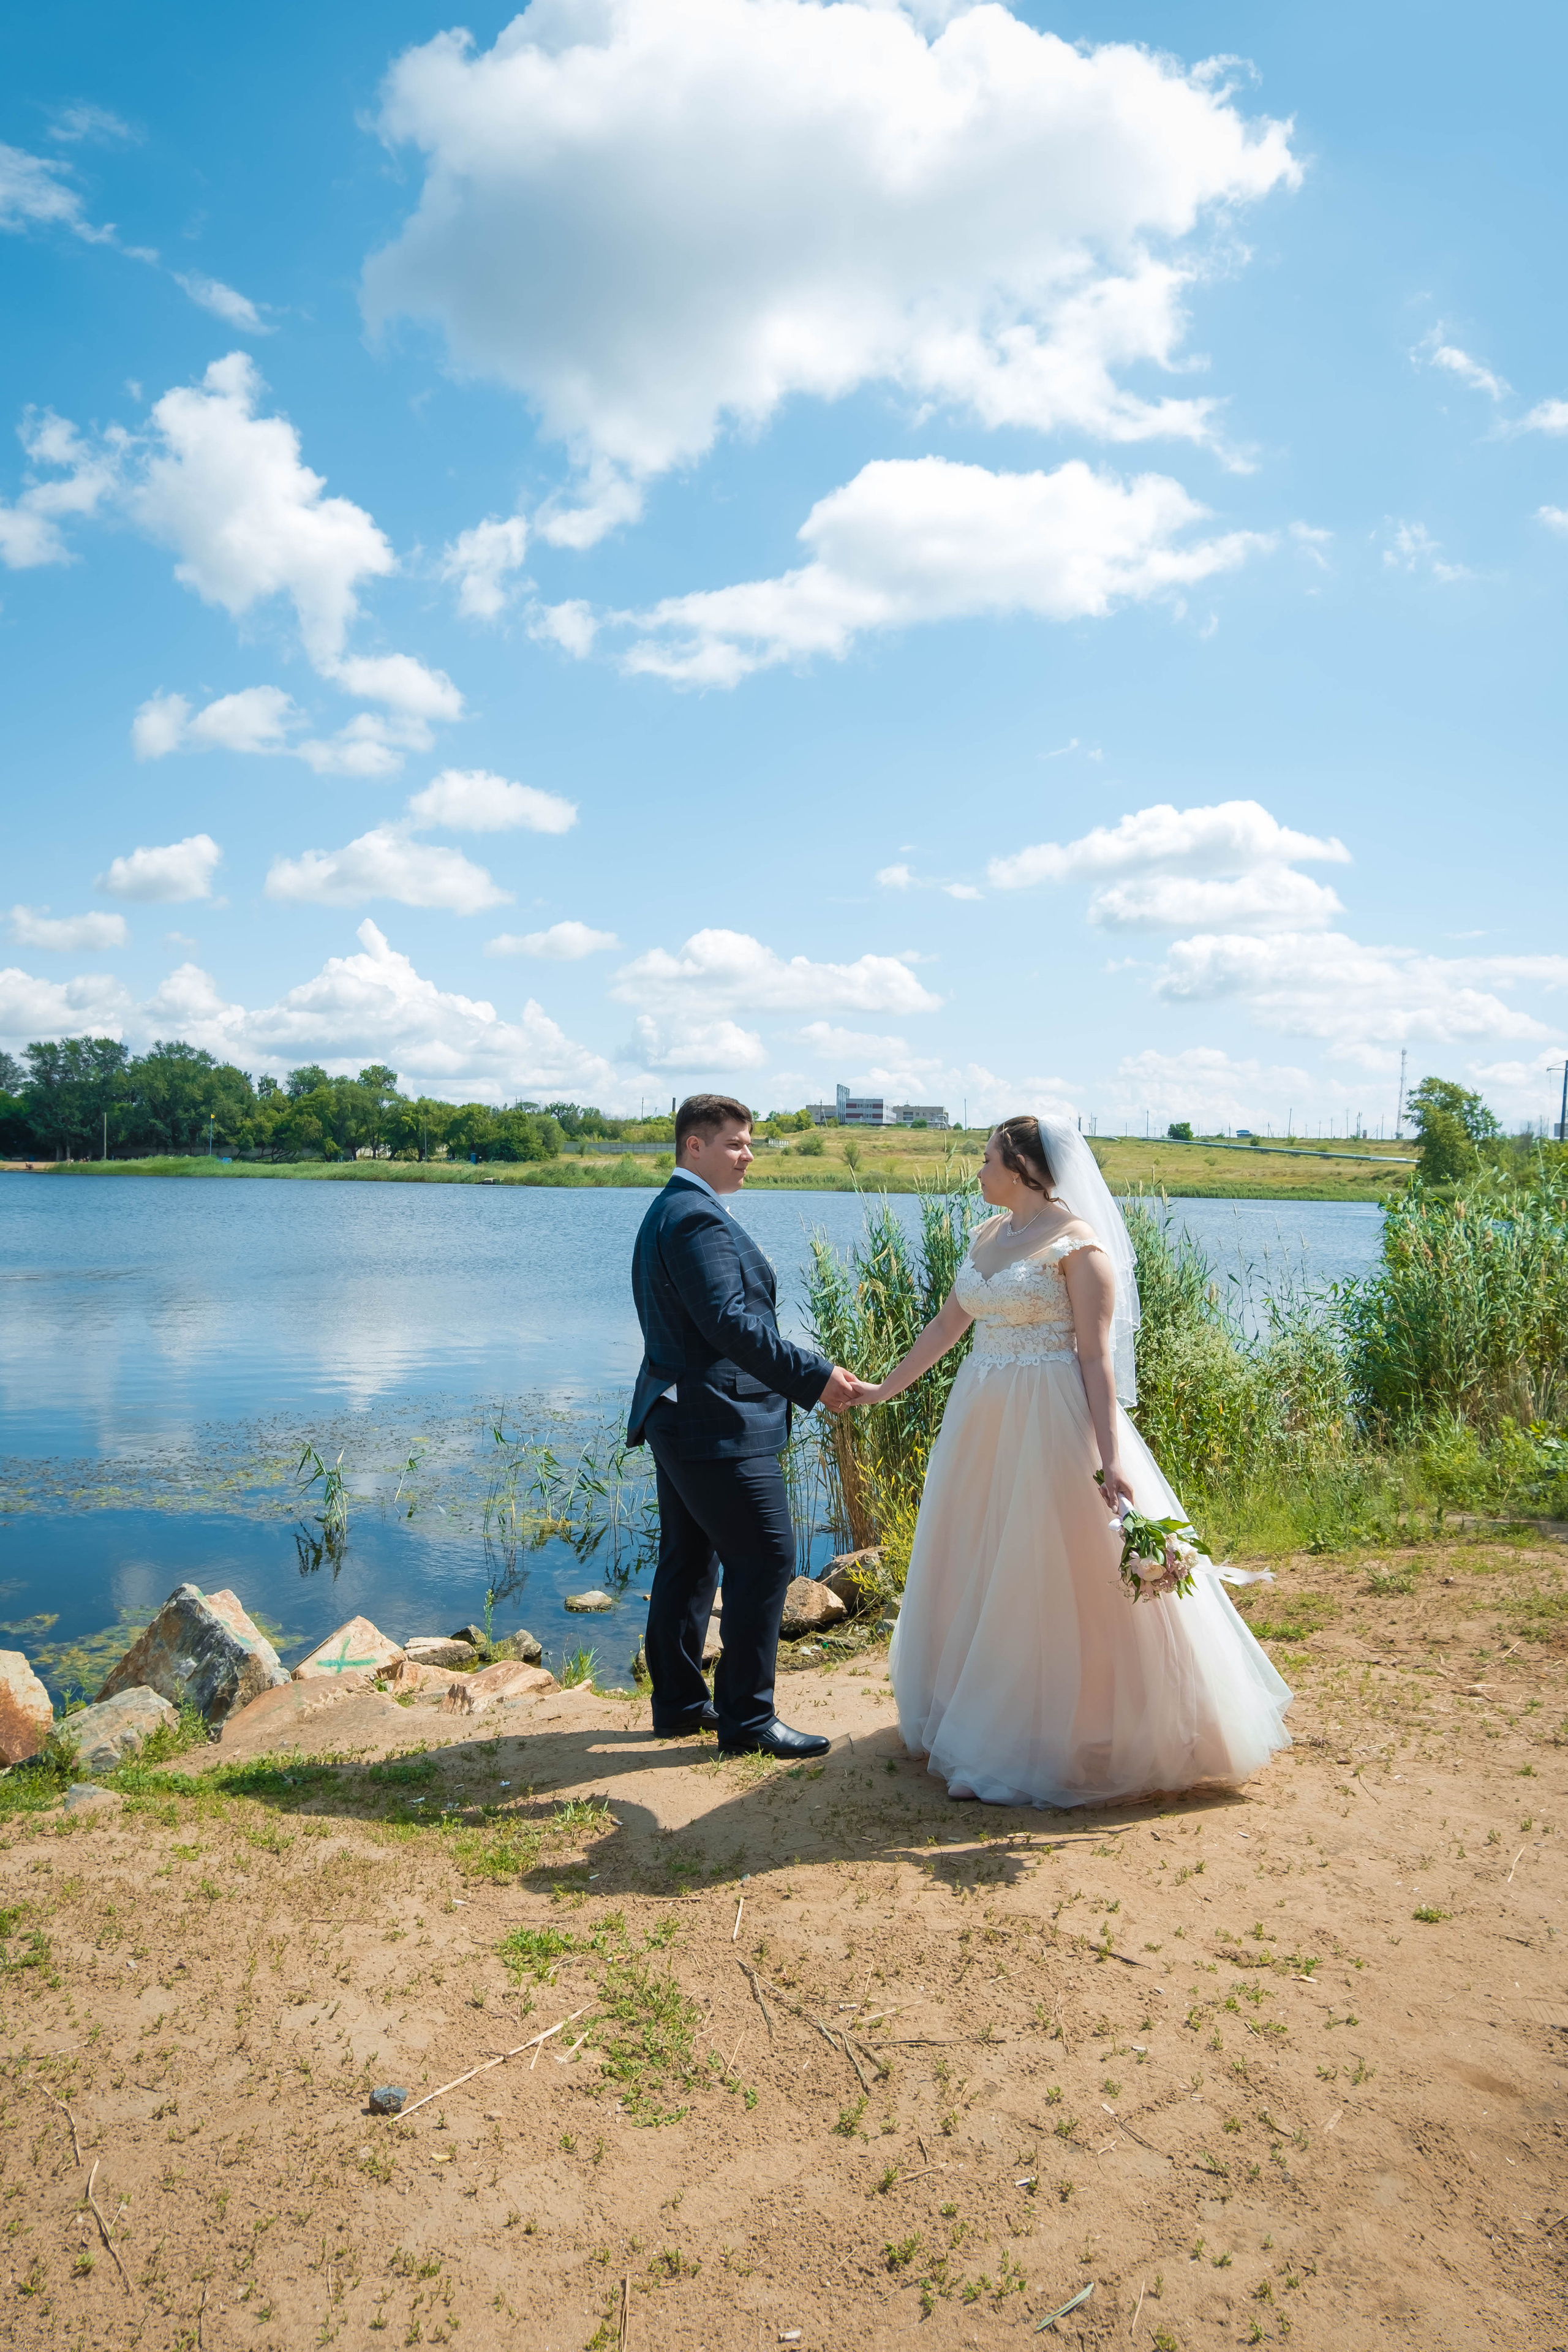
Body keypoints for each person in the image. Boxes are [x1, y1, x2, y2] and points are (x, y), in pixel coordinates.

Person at [853, 1115, 1292, 1807]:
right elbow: (946, 1326)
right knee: (981, 1557)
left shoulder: (1079, 1249)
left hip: (1052, 1422)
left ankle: (1061, 1735)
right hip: (981, 1420)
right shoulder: (987, 1236)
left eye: (988, 1158)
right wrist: (881, 1390)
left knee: (1051, 1571)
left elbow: (1095, 1357)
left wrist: (1110, 1460)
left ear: (1025, 1166)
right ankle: (977, 1720)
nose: (978, 1169)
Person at [628, 1093, 861, 1756]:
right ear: (693, 1146)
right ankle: (749, 1720)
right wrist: (814, 1376)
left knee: (690, 1559)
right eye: (734, 1142)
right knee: (764, 1557)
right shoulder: (695, 1218)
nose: (748, 1153)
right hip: (715, 1419)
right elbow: (728, 1325)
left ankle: (678, 1704)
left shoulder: (674, 1208)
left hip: (681, 1411)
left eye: (749, 1142)